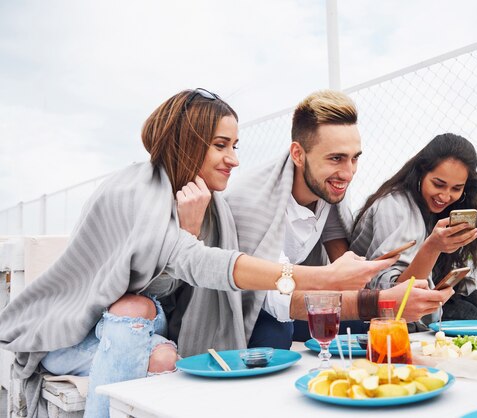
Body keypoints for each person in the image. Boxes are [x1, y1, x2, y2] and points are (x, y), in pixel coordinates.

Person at [0, 89, 395, 418]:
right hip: (72, 333)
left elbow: (175, 281)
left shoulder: (209, 202)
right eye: (220, 145)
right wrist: (321, 277)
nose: (235, 158)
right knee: (132, 312)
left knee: (158, 346)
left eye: (235, 145)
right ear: (187, 142)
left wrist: (189, 233)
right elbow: (207, 266)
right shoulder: (133, 191)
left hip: (143, 329)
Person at [222, 90, 453, 348]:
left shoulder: (329, 192)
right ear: (298, 154)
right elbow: (277, 300)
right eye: (336, 158)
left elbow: (343, 266)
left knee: (371, 329)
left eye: (355, 158)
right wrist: (382, 302)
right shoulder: (251, 201)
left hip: (296, 295)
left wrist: (386, 297)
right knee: (277, 333)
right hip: (251, 305)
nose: (348, 173)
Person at [351, 133, 477, 322]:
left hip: (423, 292)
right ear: (421, 173)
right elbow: (393, 293)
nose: (445, 196)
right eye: (438, 184)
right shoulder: (395, 206)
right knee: (469, 316)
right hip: (377, 311)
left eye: (456, 188)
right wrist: (433, 247)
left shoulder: (436, 209)